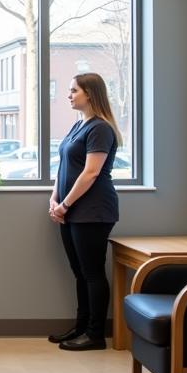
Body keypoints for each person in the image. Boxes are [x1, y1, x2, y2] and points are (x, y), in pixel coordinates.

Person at [47, 73, 121, 351]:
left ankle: (95, 335)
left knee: (92, 273)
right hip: (71, 211)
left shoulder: (100, 128)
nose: (69, 95)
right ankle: (80, 327)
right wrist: (55, 198)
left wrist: (65, 205)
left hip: (93, 211)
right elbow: (64, 166)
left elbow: (91, 173)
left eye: (73, 90)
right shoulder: (78, 126)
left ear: (90, 94)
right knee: (79, 272)